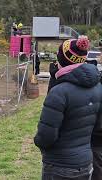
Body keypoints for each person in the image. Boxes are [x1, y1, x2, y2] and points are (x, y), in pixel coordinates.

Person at [34, 36, 102, 180]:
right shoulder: (98, 87)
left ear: (62, 59)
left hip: (59, 165)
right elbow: (98, 127)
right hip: (86, 163)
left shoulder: (59, 92)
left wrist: (39, 143)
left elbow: (45, 136)